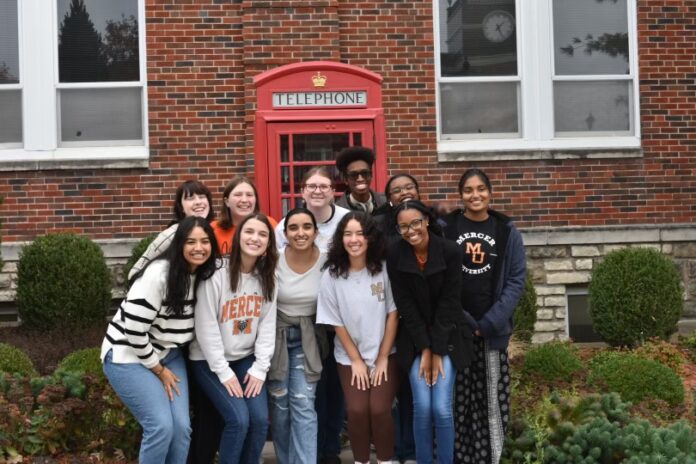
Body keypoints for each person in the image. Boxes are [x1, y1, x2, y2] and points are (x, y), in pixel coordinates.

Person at [101, 216, 220, 464]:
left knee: (181, 429)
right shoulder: (159, 275)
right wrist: (158, 369)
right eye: (191, 242)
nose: (199, 247)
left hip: (168, 354)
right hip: (128, 355)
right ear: (179, 245)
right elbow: (133, 330)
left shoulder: (204, 274)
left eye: (205, 241)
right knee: (161, 427)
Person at [442, 169, 526, 464]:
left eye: (480, 189)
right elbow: (439, 278)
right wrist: (464, 321)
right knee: (457, 402)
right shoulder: (447, 227)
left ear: (490, 193)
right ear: (460, 194)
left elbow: (516, 279)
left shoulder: (506, 230)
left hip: (492, 332)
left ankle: (491, 457)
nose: (474, 195)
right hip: (457, 331)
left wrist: (490, 323)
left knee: (492, 402)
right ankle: (460, 458)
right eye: (468, 190)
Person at [386, 200, 474, 464]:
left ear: (426, 221)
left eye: (415, 223)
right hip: (414, 339)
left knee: (442, 409)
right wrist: (425, 349)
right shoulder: (395, 253)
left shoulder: (449, 251)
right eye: (403, 226)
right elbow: (406, 307)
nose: (411, 230)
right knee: (423, 407)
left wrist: (436, 349)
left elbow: (450, 303)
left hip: (448, 336)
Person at [188, 213, 279, 464]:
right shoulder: (216, 273)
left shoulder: (268, 277)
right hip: (208, 361)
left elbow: (267, 327)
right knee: (238, 421)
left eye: (263, 234)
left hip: (245, 359)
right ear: (238, 237)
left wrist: (261, 368)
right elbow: (206, 328)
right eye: (249, 232)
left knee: (260, 421)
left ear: (269, 244)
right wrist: (224, 372)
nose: (255, 238)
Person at [317, 212, 399, 464]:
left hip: (385, 351)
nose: (354, 240)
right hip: (349, 357)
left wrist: (383, 357)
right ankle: (361, 461)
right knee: (356, 410)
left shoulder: (383, 270)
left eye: (360, 233)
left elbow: (393, 315)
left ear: (370, 238)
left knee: (380, 409)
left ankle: (385, 460)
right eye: (348, 234)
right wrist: (356, 361)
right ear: (341, 239)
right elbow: (336, 323)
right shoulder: (331, 275)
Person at [268, 207, 327, 464]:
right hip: (276, 339)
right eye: (293, 227)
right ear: (285, 232)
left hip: (308, 338)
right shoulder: (273, 260)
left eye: (306, 227)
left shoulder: (327, 260)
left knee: (303, 405)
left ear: (316, 231)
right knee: (280, 409)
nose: (300, 233)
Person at [129, 179, 214, 280]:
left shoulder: (213, 230)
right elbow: (136, 271)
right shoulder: (172, 234)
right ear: (181, 207)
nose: (198, 202)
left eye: (202, 197)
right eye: (190, 198)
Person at [275, 166, 350, 252]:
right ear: (302, 192)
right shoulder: (285, 225)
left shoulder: (347, 219)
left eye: (324, 186)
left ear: (332, 192)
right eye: (311, 186)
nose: (317, 191)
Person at [212, 176, 278, 255]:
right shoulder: (213, 228)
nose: (244, 200)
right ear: (227, 201)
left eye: (249, 195)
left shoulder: (270, 224)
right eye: (238, 195)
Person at [335, 146, 386, 214]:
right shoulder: (338, 211)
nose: (360, 179)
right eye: (353, 175)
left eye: (365, 173)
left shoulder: (386, 203)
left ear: (371, 175)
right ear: (345, 180)